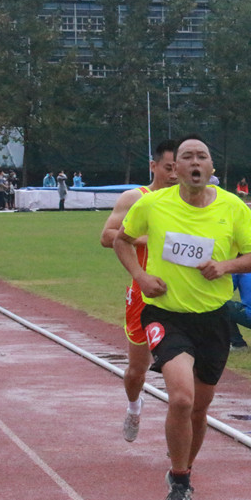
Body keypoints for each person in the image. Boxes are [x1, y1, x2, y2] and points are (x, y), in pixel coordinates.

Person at [113, 134, 251, 500]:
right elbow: (121, 240)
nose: (195, 162)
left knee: (199, 408)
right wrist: (141, 277)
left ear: (211, 168)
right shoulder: (152, 204)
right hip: (166, 315)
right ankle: (179, 484)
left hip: (213, 320)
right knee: (181, 399)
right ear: (175, 168)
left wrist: (225, 266)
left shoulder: (233, 207)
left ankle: (183, 471)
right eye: (187, 157)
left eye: (202, 156)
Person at [100, 139, 178, 443]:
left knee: (181, 370)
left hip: (180, 294)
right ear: (154, 166)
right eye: (168, 168)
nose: (174, 174)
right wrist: (147, 238)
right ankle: (134, 406)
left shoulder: (191, 201)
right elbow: (107, 236)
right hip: (142, 294)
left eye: (178, 168)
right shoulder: (135, 198)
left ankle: (180, 434)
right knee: (136, 370)